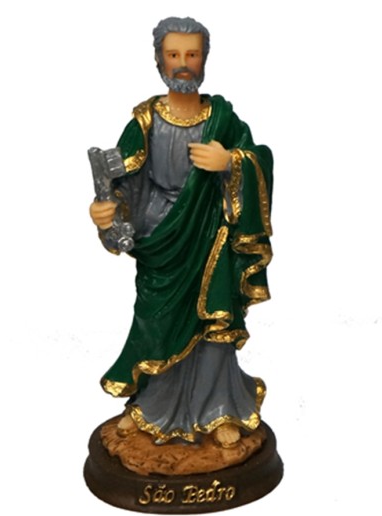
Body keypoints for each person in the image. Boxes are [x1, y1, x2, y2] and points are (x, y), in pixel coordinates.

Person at [89, 17, 273, 448]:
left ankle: (220, 409)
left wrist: (230, 163)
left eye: (192, 54)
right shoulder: (145, 120)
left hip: (212, 233)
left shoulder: (223, 118)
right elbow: (123, 183)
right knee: (155, 323)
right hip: (162, 236)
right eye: (174, 54)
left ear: (204, 59)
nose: (183, 64)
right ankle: (150, 407)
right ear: (159, 60)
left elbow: (259, 159)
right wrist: (107, 212)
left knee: (213, 321)